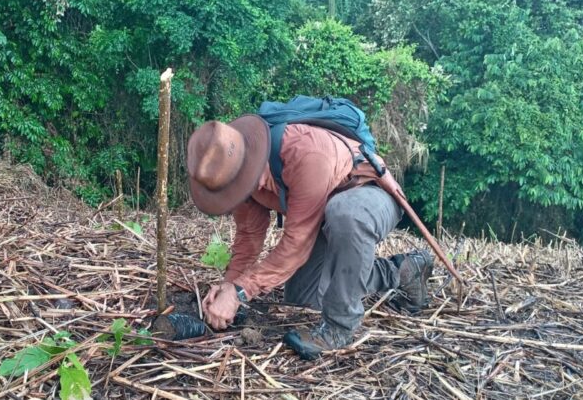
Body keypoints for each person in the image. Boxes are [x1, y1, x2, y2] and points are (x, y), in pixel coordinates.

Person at [186, 114, 433, 360]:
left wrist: (240, 292)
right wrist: (229, 284)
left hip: (367, 196)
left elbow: (297, 244)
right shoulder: (240, 180)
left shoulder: (306, 153)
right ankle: (403, 271)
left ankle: (338, 328)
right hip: (321, 215)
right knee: (305, 299)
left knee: (346, 215)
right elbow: (249, 236)